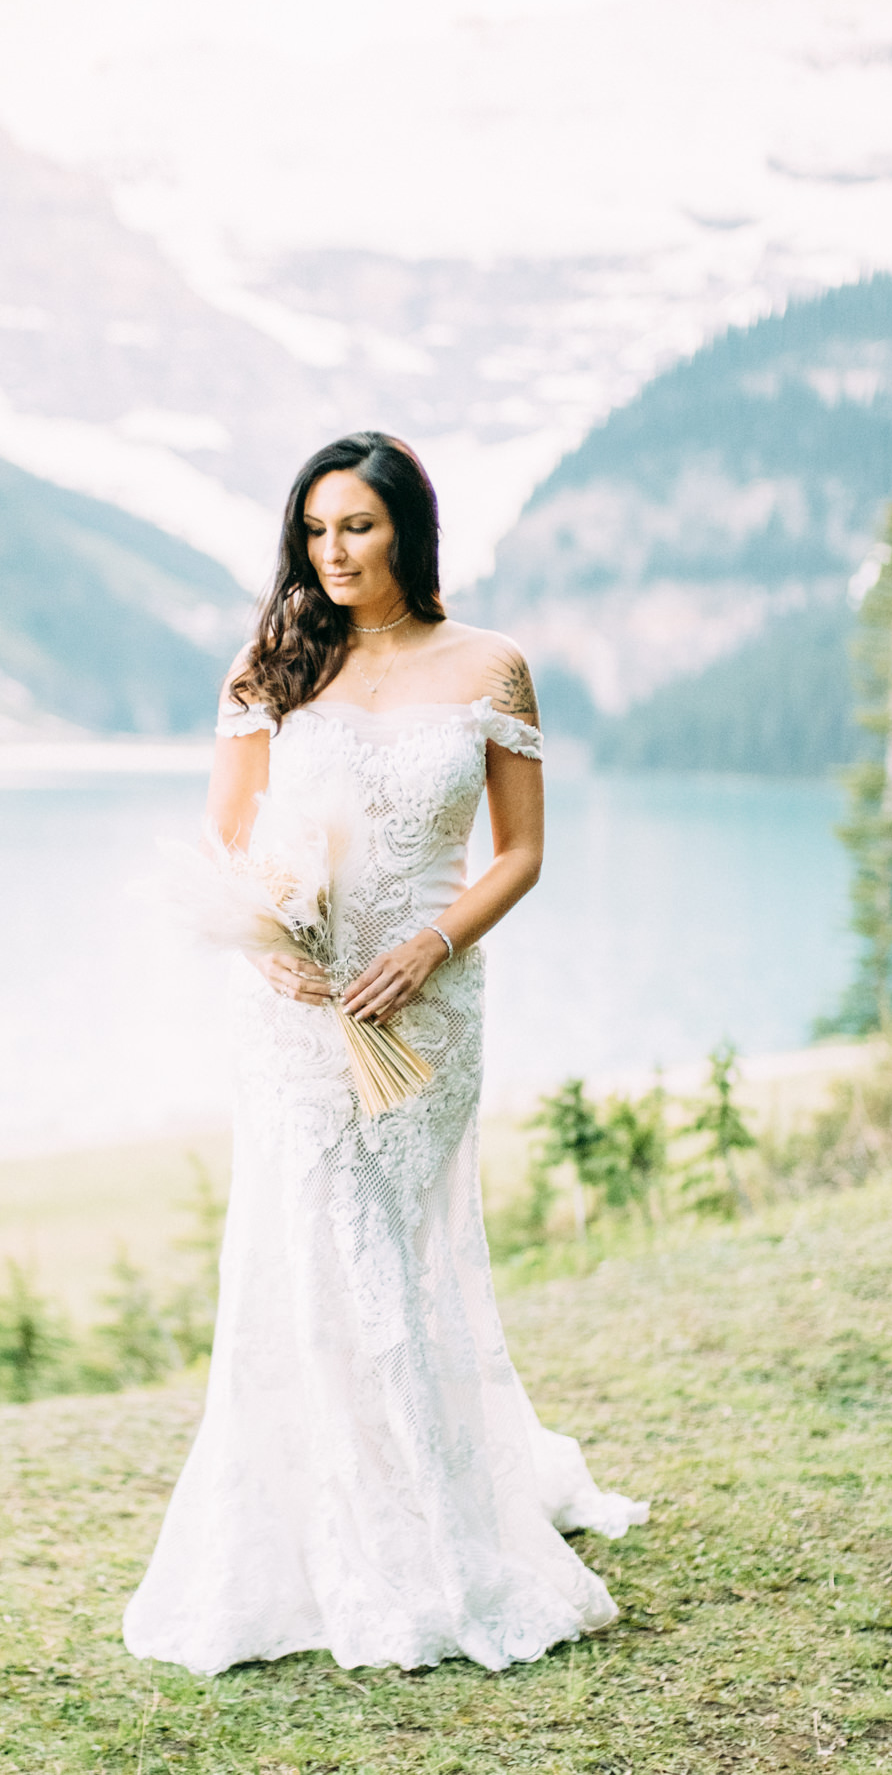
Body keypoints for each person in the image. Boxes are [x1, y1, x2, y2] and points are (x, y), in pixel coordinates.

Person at [123, 432, 647, 1675]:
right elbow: (233, 841)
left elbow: (518, 853)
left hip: (428, 1005)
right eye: (314, 531)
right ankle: (320, 1533)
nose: (332, 553)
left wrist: (430, 946)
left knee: (405, 1251)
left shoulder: (490, 667)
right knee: (309, 1249)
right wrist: (267, 946)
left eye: (355, 527)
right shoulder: (274, 664)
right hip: (301, 1010)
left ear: (408, 529)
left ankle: (440, 1525)